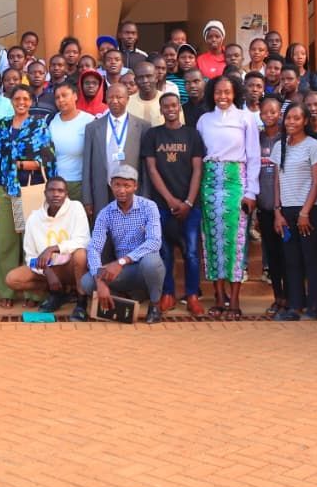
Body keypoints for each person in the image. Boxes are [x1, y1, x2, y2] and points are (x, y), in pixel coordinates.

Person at [196, 73, 260, 320]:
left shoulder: (246, 118)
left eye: (227, 92)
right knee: (212, 242)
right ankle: (219, 298)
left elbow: (253, 156)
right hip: (210, 183)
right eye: (218, 92)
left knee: (236, 243)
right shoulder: (204, 120)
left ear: (235, 94)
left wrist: (251, 191)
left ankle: (234, 300)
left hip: (236, 183)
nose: (223, 97)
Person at [0, 86, 57, 307]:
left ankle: (33, 293)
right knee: (6, 242)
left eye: (25, 99)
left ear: (31, 101)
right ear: (11, 100)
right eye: (17, 98)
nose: (21, 102)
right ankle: (7, 291)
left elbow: (47, 160)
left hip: (29, 190)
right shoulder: (1, 126)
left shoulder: (38, 125)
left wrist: (19, 164)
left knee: (31, 242)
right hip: (4, 190)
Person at [72, 166, 165, 324]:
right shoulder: (106, 213)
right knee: (87, 282)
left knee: (151, 261)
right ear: (111, 185)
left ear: (135, 186)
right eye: (117, 185)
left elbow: (154, 242)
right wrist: (99, 280)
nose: (122, 190)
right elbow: (94, 248)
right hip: (124, 272)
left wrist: (121, 262)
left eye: (127, 186)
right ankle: (122, 298)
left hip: (143, 267)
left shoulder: (149, 207)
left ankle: (155, 305)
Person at [142, 92, 205, 316]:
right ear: (161, 110)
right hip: (161, 205)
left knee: (190, 252)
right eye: (165, 106)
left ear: (179, 107)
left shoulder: (192, 135)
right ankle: (167, 293)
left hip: (191, 204)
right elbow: (151, 169)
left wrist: (188, 201)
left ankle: (192, 295)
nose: (169, 109)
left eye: (173, 105)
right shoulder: (153, 135)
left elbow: (198, 169)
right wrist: (170, 200)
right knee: (164, 252)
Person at [271, 102, 317, 321]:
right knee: (291, 259)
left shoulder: (313, 146)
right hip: (286, 209)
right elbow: (277, 180)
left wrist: (305, 212)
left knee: (311, 257)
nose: (291, 122)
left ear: (305, 121)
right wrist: (277, 211)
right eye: (288, 118)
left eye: (296, 118)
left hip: (309, 211)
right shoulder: (279, 146)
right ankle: (295, 305)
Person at [5, 177, 92, 311]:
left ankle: (81, 303)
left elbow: (83, 240)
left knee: (81, 254)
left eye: (60, 191)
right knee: (12, 279)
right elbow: (30, 257)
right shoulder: (34, 218)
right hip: (48, 269)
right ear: (45, 193)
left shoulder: (76, 208)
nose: (56, 194)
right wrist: (47, 271)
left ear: (66, 194)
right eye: (51, 190)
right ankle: (58, 294)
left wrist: (53, 249)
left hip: (70, 266)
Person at [81, 83, 150, 219]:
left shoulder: (143, 127)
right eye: (111, 97)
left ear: (128, 99)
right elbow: (87, 166)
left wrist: (145, 197)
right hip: (101, 191)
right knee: (104, 233)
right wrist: (87, 199)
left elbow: (145, 168)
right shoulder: (92, 128)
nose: (115, 101)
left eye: (119, 97)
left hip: (131, 192)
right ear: (105, 99)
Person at [256, 96, 287, 314]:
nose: (269, 116)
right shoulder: (256, 139)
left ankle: (293, 298)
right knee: (273, 256)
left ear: (280, 114)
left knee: (288, 256)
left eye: (273, 112)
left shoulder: (286, 139)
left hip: (285, 208)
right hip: (264, 207)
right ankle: (279, 298)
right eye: (265, 112)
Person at [48, 83, 94, 203]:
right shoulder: (50, 120)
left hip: (79, 184)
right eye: (57, 97)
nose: (61, 100)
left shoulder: (89, 121)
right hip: (54, 184)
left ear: (75, 96)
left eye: (64, 95)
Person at [126, 61, 165, 127]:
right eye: (140, 77)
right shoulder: (127, 102)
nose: (145, 81)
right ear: (135, 80)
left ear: (156, 78)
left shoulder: (168, 100)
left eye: (149, 76)